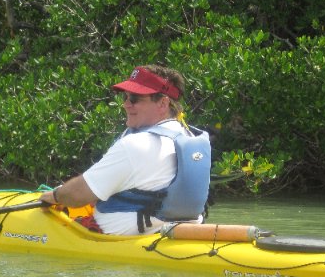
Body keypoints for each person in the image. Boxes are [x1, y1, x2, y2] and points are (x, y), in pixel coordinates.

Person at [39, 65, 211, 235]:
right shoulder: (189, 136)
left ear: (163, 103)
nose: (126, 105)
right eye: (126, 97)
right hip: (183, 231)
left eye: (135, 98)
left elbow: (77, 195)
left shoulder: (136, 144)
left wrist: (56, 196)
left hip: (126, 240)